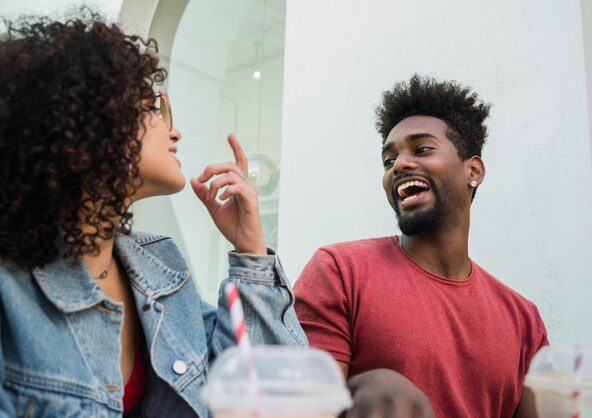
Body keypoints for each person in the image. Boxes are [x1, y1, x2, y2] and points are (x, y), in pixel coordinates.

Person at [0, 11, 306, 417]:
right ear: (91, 119)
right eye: (155, 109)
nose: (174, 131)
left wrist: (251, 250)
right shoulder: (10, 291)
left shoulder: (160, 267)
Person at [294, 75, 549, 418]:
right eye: (388, 160)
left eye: (422, 149)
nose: (398, 165)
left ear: (473, 170)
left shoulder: (523, 319)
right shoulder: (339, 271)